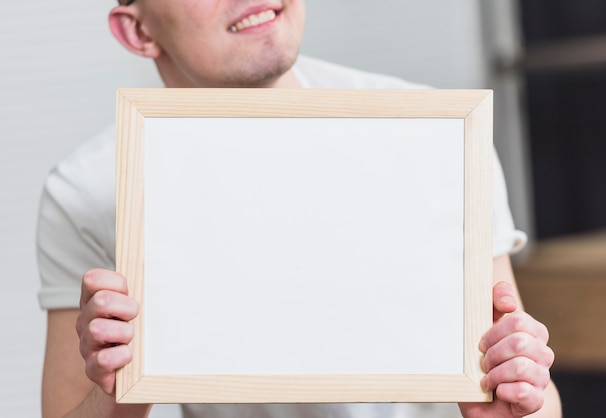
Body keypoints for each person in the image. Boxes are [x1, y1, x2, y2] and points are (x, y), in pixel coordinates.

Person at [38, 1, 561, 417]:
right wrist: (115, 387)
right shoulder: (87, 190)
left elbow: (528, 397)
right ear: (138, 32)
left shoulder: (441, 135)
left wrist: (515, 399)